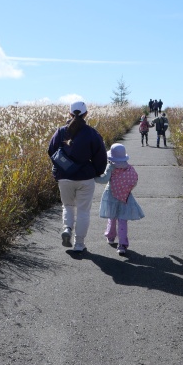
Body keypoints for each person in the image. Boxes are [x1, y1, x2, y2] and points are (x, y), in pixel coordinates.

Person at [48, 101, 108, 252]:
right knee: (83, 211)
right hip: (85, 177)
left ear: (69, 114)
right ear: (86, 114)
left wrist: (61, 166)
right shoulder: (91, 133)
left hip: (64, 177)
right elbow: (101, 156)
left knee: (68, 206)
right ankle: (79, 244)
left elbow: (51, 151)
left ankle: (67, 228)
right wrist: (97, 171)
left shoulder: (61, 131)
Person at [94, 143, 144, 255]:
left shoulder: (111, 167)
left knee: (112, 217)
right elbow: (133, 181)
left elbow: (104, 180)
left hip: (111, 194)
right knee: (122, 220)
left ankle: (110, 236)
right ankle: (122, 245)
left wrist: (94, 178)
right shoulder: (128, 167)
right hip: (125, 196)